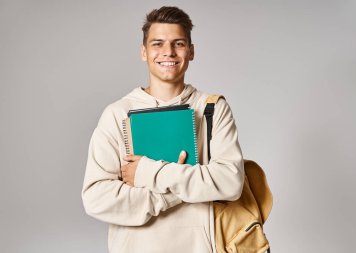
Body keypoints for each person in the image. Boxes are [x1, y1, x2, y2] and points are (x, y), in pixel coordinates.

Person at [82, 6, 244, 253]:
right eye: (157, 43)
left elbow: (230, 182)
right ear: (144, 52)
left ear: (191, 51)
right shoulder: (117, 114)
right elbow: (96, 198)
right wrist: (170, 194)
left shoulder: (212, 108)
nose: (168, 52)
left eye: (178, 43)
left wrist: (148, 172)